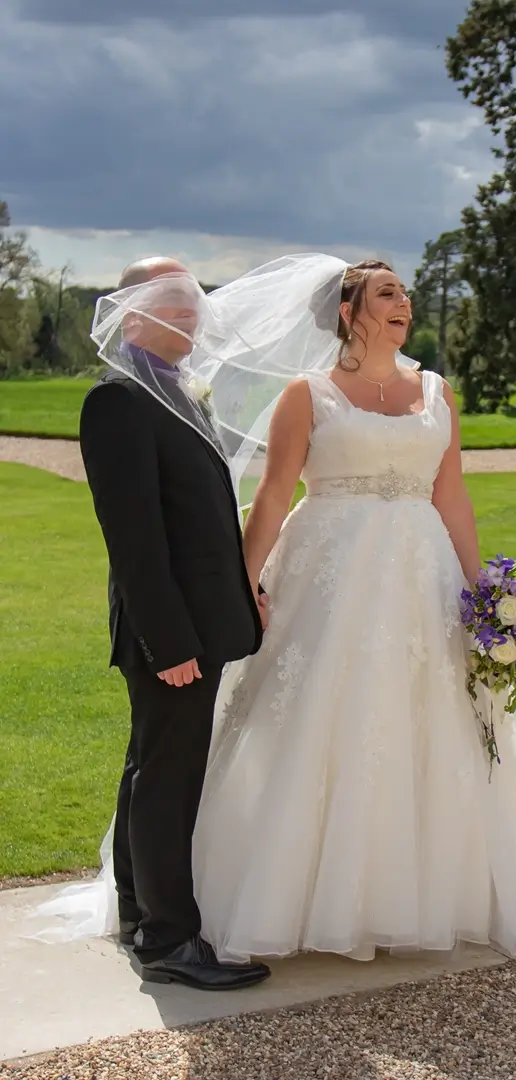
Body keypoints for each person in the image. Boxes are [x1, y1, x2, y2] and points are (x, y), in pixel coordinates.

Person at [189, 258, 516, 961]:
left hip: (424, 576)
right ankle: (291, 893)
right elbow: (271, 497)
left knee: (427, 718)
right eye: (388, 293)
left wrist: (487, 598)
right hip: (330, 574)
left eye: (406, 294)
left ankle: (420, 890)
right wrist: (245, 581)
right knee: (321, 713)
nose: (404, 303)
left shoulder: (438, 393)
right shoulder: (309, 393)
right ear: (351, 311)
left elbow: (452, 498)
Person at [76, 257, 270, 990]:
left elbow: (199, 518)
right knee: (169, 780)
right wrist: (170, 642)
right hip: (171, 634)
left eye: (192, 305)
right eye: (173, 306)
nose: (191, 318)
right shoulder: (119, 402)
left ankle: (138, 912)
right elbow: (134, 540)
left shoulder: (181, 392)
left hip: (198, 622)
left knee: (149, 768)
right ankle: (169, 942)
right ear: (131, 314)